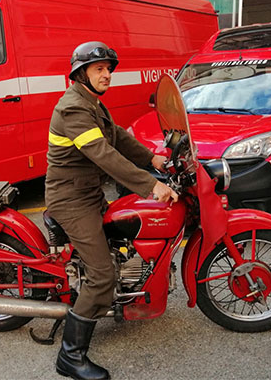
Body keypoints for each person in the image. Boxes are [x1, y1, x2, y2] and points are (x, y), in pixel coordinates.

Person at [46, 41, 178, 380]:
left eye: (108, 69)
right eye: (99, 69)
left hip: (88, 193)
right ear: (81, 73)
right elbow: (102, 153)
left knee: (120, 242)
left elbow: (116, 137)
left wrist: (153, 158)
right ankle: (70, 358)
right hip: (72, 200)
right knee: (102, 275)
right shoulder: (72, 108)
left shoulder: (91, 103)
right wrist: (151, 185)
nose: (106, 74)